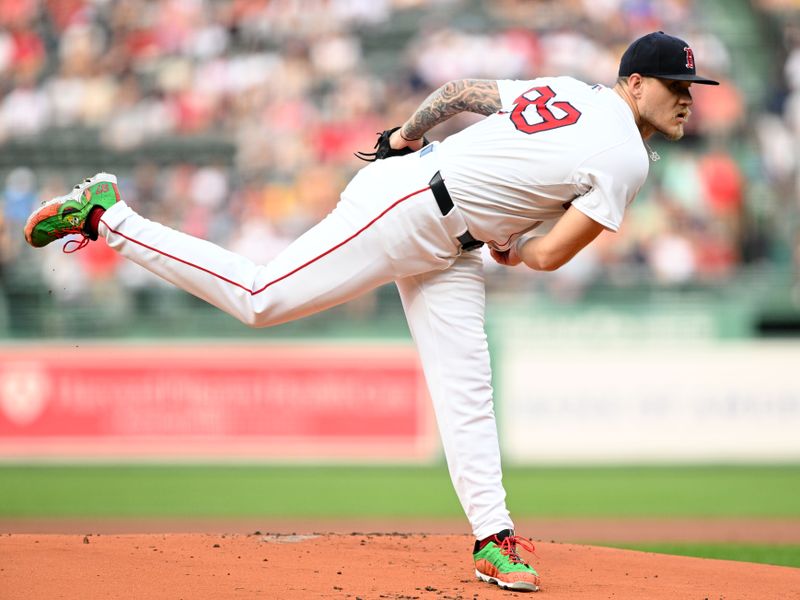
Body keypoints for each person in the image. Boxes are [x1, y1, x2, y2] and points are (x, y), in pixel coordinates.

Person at [23, 31, 719, 593]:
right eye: (673, 85)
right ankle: (109, 214)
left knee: (466, 388)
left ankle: (493, 539)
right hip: (414, 211)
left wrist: (406, 138)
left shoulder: (570, 89)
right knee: (262, 299)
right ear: (634, 83)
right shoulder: (629, 156)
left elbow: (454, 93)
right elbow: (547, 258)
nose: (686, 99)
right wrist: (515, 248)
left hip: (440, 221)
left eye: (691, 89)